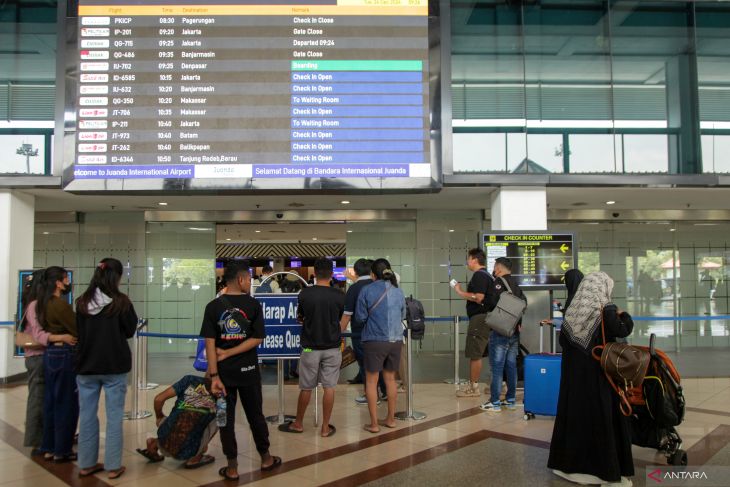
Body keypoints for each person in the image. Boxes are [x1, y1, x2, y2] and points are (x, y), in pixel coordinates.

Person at [548, 272, 635, 486]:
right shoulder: (606, 310)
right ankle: (603, 470)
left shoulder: (572, 313)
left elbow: (564, 342)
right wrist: (622, 314)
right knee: (600, 420)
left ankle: (568, 465)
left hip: (573, 382)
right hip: (598, 380)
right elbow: (623, 329)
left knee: (575, 418)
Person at [200, 261, 281, 481]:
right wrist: (234, 351)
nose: (249, 283)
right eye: (247, 279)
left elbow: (209, 343)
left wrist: (215, 374)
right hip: (249, 372)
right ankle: (266, 458)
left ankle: (233, 467)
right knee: (256, 415)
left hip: (222, 376)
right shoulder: (253, 305)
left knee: (224, 419)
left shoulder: (213, 307)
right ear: (241, 279)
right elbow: (257, 338)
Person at [75, 258, 138, 480]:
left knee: (87, 416)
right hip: (114, 365)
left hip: (86, 366)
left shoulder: (81, 302)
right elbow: (130, 330)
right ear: (117, 277)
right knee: (114, 417)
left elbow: (78, 332)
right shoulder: (121, 302)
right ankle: (112, 466)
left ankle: (86, 464)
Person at [278, 258, 345, 437]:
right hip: (332, 348)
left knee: (306, 387)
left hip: (309, 348)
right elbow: (339, 320)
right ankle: (325, 427)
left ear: (314, 273)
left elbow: (301, 317)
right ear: (331, 274)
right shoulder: (339, 295)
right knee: (329, 387)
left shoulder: (305, 294)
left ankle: (298, 423)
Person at [22, 270, 77, 454]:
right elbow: (38, 334)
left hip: (45, 356)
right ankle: (40, 442)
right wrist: (62, 336)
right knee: (42, 401)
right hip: (39, 356)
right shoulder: (38, 305)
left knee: (49, 400)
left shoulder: (42, 304)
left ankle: (49, 441)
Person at [355, 258, 406, 433]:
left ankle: (374, 424)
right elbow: (403, 314)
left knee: (371, 381)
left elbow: (360, 317)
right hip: (395, 341)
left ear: (373, 274)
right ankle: (391, 419)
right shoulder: (398, 291)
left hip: (374, 340)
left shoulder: (367, 290)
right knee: (390, 379)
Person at [36, 266, 79, 463]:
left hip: (50, 354)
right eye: (65, 279)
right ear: (58, 283)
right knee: (66, 403)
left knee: (51, 401)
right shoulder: (61, 305)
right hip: (64, 355)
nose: (68, 282)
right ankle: (62, 449)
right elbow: (76, 329)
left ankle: (49, 446)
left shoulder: (42, 304)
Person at [136, 374, 218, 469]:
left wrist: (159, 417)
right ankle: (196, 457)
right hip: (186, 453)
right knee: (220, 420)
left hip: (163, 440)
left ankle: (155, 443)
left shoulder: (189, 380)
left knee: (177, 417)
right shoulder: (222, 394)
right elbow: (223, 422)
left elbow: (158, 399)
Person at [480, 257, 526, 412]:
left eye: (494, 267)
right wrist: (519, 324)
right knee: (511, 365)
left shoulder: (497, 283)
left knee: (497, 367)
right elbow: (521, 305)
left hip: (500, 330)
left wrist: (484, 300)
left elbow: (491, 303)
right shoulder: (515, 285)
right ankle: (510, 400)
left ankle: (494, 402)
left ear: (498, 268)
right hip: (514, 330)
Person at [451, 248, 498, 397]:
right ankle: (498, 384)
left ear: (475, 260)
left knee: (475, 353)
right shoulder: (489, 276)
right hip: (489, 317)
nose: (467, 261)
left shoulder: (479, 275)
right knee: (490, 352)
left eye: (469, 258)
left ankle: (474, 387)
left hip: (479, 318)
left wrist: (460, 291)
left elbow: (478, 297)